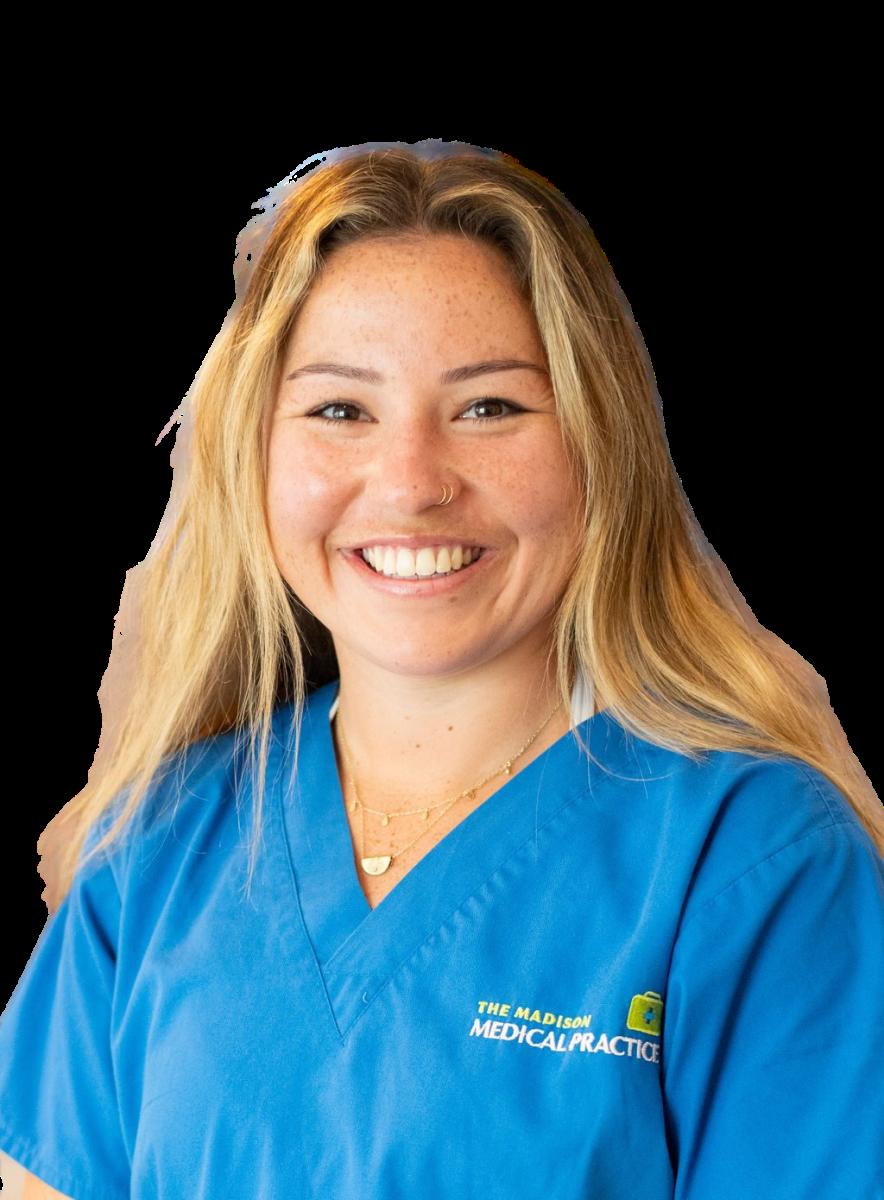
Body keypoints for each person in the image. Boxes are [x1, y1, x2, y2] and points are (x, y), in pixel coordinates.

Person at [1, 140, 882, 1200]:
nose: (411, 482)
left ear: (599, 445)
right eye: (339, 410)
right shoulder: (158, 845)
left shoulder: (752, 858)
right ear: (253, 455)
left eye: (488, 407)